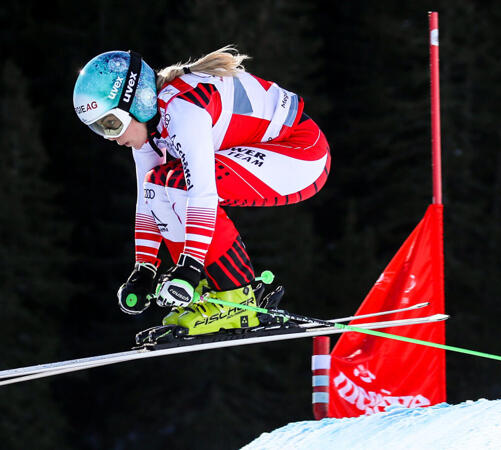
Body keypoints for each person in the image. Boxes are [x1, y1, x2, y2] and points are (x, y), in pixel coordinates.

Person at [72, 46, 331, 337]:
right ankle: (215, 291)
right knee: (158, 183)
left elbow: (202, 194)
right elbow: (147, 200)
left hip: (301, 153)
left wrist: (190, 267)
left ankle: (236, 299)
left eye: (112, 124)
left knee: (179, 184)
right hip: (272, 150)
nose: (112, 138)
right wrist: (144, 270)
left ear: (140, 102)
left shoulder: (184, 111)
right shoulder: (150, 126)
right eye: (99, 129)